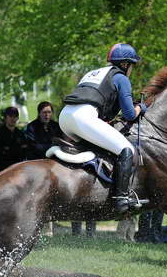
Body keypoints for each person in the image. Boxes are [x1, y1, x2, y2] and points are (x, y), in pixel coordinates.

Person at [59, 43, 146, 213]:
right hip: (83, 117)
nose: (131, 70)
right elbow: (129, 114)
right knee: (126, 149)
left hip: (65, 116)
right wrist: (141, 108)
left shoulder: (93, 73)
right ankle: (121, 198)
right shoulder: (121, 77)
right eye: (132, 66)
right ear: (125, 64)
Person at [0, 107, 29, 177]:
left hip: (17, 170)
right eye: (10, 116)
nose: (13, 119)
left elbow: (24, 154)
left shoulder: (20, 134)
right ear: (5, 118)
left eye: (15, 117)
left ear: (18, 118)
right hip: (1, 171)